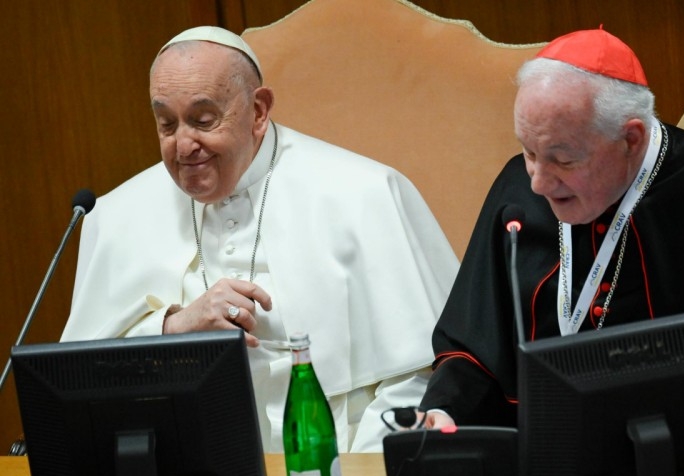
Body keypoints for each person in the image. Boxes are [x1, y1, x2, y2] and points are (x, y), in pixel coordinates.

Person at [60, 26, 459, 452]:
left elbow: (421, 375)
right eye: (167, 124)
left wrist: (358, 475)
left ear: (258, 110)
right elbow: (78, 381)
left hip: (344, 455)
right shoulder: (117, 215)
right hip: (184, 464)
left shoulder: (365, 193)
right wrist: (173, 328)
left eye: (203, 120)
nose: (184, 145)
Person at [419, 28, 684, 428]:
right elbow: (474, 347)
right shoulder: (517, 191)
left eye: (563, 160)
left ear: (631, 139)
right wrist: (444, 412)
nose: (538, 184)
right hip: (545, 450)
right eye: (529, 152)